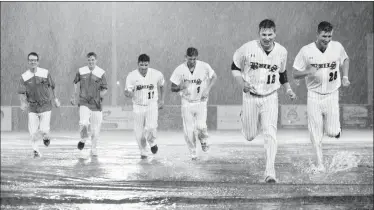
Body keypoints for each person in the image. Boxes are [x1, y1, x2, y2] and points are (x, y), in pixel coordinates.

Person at [231, 19, 297, 183]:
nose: (267, 37)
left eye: (270, 34)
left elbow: (282, 73)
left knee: (270, 133)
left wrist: (288, 89)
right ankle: (244, 118)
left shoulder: (282, 51)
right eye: (263, 34)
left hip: (270, 97)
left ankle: (270, 171)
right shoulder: (247, 48)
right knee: (250, 135)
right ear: (259, 34)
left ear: (275, 34)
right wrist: (242, 83)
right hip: (250, 96)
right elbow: (234, 67)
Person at [293, 21, 350, 173]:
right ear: (317, 34)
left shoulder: (337, 46)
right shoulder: (306, 51)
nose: (327, 39)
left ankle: (335, 129)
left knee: (331, 132)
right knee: (315, 134)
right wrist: (307, 72)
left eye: (329, 36)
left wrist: (345, 76)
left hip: (332, 95)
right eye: (324, 36)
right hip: (314, 96)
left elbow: (345, 59)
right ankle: (320, 164)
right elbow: (295, 73)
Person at [170, 47, 217, 160]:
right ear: (185, 57)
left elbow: (214, 77)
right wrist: (181, 87)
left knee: (201, 127)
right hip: (187, 102)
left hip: (201, 102)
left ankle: (204, 141)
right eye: (190, 59)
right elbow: (172, 87)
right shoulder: (179, 69)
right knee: (188, 131)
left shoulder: (204, 66)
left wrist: (208, 89)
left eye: (194, 59)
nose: (192, 61)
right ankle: (193, 153)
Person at [18, 52, 61, 158]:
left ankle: (46, 137)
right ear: (28, 62)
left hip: (46, 106)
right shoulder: (24, 77)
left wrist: (55, 99)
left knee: (44, 130)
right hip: (32, 108)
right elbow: (21, 92)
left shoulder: (45, 73)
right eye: (31, 60)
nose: (33, 62)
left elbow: (53, 86)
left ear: (38, 61)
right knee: (33, 132)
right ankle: (35, 151)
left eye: (35, 60)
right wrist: (23, 103)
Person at [124, 54, 165, 159]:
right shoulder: (131, 76)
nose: (143, 68)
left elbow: (162, 85)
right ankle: (143, 152)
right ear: (138, 64)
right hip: (138, 106)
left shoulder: (156, 74)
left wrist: (162, 99)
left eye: (145, 65)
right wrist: (129, 94)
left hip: (151, 104)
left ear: (148, 64)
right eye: (141, 65)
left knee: (151, 127)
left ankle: (152, 142)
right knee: (138, 133)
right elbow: (127, 91)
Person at [70, 52, 108, 156]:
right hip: (84, 102)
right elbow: (74, 82)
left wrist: (98, 96)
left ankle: (93, 148)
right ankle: (83, 139)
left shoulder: (101, 73)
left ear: (96, 60)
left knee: (95, 131)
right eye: (89, 60)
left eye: (93, 60)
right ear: (87, 60)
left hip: (96, 105)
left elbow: (105, 89)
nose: (91, 62)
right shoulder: (81, 71)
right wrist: (74, 95)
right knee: (83, 123)